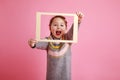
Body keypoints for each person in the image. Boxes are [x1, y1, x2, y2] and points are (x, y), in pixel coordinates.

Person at [28, 12, 84, 80]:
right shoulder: (48, 41)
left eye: (61, 25)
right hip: (52, 77)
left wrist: (77, 21)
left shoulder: (68, 39)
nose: (58, 27)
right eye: (55, 25)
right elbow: (39, 43)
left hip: (65, 76)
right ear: (50, 28)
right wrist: (33, 43)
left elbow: (73, 31)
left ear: (66, 28)